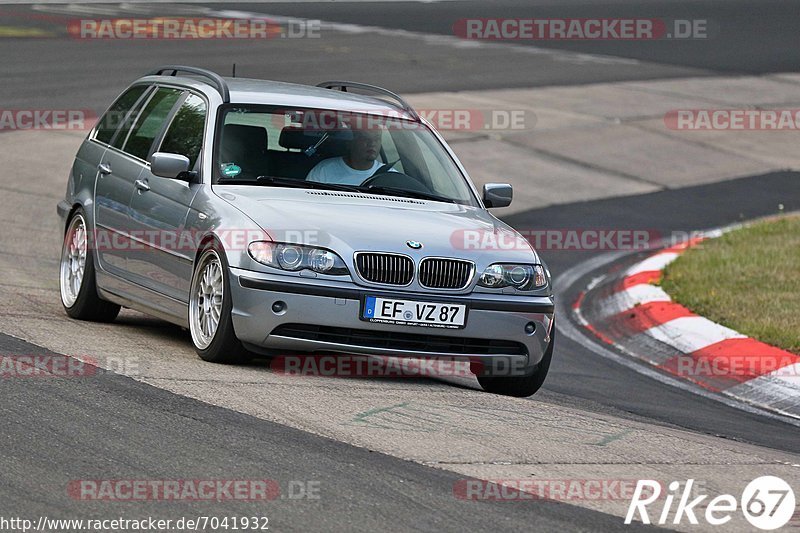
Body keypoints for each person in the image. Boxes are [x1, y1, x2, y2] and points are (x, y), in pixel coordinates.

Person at [306, 127, 386, 185]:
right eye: (365, 138)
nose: (372, 143)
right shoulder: (324, 171)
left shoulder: (389, 175)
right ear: (350, 143)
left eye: (377, 139)